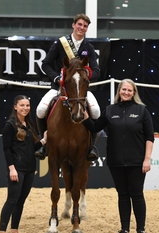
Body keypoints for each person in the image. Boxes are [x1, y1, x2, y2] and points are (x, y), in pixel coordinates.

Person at [83, 79, 154, 233]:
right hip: (116, 161)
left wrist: (147, 159)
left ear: (134, 92)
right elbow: (94, 127)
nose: (126, 93)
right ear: (119, 91)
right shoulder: (110, 110)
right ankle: (124, 229)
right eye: (124, 90)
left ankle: (141, 230)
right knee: (122, 195)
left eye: (129, 90)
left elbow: (150, 137)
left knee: (136, 195)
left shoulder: (142, 111)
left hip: (137, 162)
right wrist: (85, 115)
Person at [35, 13, 101, 161]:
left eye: (85, 26)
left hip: (80, 89)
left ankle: (91, 146)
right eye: (79, 24)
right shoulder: (60, 43)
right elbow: (46, 63)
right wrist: (56, 78)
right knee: (40, 110)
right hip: (59, 87)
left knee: (96, 111)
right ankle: (44, 144)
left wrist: (84, 76)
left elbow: (97, 71)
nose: (82, 28)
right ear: (73, 25)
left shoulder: (88, 48)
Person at [0, 95, 47, 233]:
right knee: (12, 200)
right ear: (15, 107)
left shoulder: (29, 124)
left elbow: (30, 148)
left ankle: (14, 231)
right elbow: (6, 149)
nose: (25, 108)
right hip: (17, 168)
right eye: (22, 105)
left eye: (27, 105)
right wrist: (11, 168)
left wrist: (44, 141)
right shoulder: (10, 125)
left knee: (20, 201)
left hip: (29, 169)